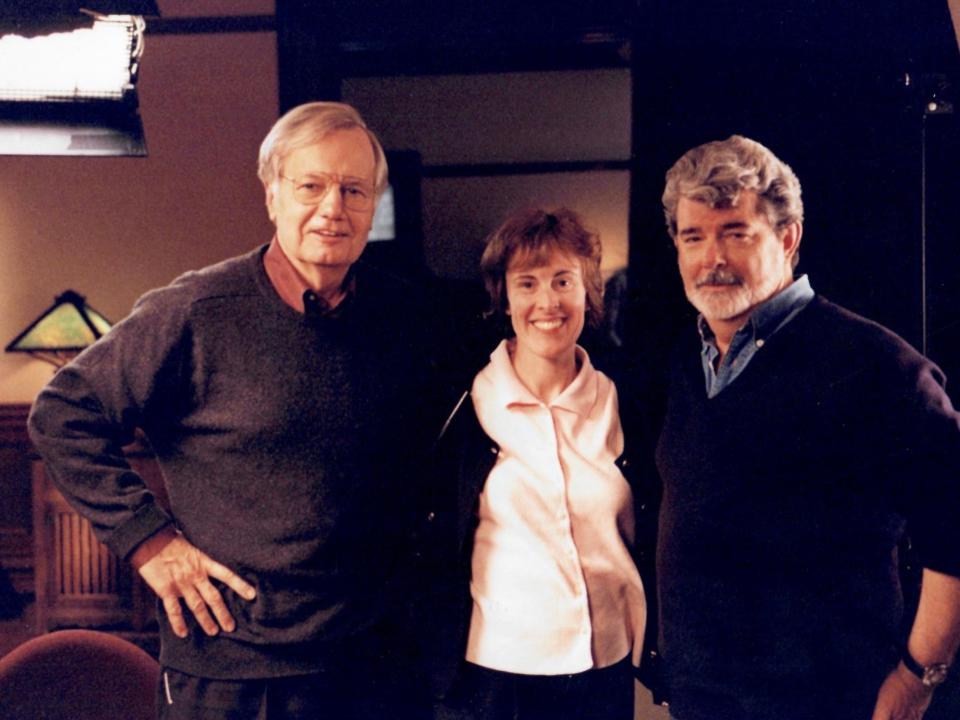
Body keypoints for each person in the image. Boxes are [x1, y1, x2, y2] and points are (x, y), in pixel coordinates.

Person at [28, 102, 434, 719]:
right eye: (311, 185)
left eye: (354, 189)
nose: (333, 208)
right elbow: (61, 414)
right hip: (232, 669)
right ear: (273, 194)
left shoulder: (406, 317)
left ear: (374, 202)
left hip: (372, 665)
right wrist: (151, 543)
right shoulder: (196, 310)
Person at [654, 134, 960, 720]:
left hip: (828, 702)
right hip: (704, 700)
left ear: (787, 237)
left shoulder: (878, 366)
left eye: (735, 233)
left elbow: (955, 530)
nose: (710, 258)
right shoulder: (688, 361)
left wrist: (920, 677)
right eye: (693, 237)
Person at [417, 207, 660, 720]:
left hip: (603, 671)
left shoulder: (626, 402)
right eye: (526, 283)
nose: (546, 302)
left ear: (588, 290)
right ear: (503, 297)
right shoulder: (464, 405)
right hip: (493, 678)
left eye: (562, 281)